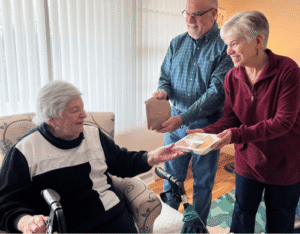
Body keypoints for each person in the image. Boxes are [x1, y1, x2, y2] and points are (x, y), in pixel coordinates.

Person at [0, 81, 186, 234]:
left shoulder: (93, 134)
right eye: (74, 110)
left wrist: (153, 156)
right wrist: (25, 222)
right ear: (52, 118)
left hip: (112, 216)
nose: (84, 114)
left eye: (82, 107)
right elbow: (6, 203)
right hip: (66, 227)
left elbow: (121, 162)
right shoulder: (24, 151)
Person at [188, 11, 300, 233]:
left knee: (280, 220)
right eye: (226, 44)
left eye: (234, 43)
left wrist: (236, 135)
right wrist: (206, 132)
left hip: (284, 163)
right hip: (248, 162)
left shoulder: (288, 70)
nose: (228, 51)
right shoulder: (232, 76)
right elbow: (232, 118)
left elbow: (282, 122)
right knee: (241, 214)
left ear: (258, 40)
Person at [152, 0, 233, 225]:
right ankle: (167, 224)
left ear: (214, 14)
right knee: (171, 180)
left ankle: (195, 228)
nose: (190, 20)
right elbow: (165, 78)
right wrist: (162, 93)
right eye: (186, 14)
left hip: (207, 127)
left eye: (196, 15)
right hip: (175, 125)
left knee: (203, 183)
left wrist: (183, 118)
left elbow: (215, 94)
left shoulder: (225, 47)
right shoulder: (176, 43)